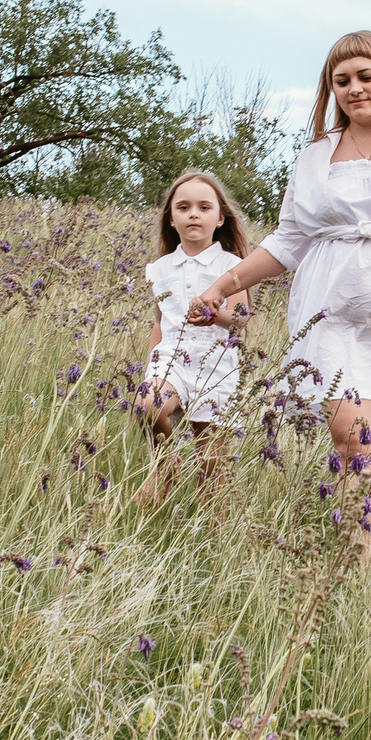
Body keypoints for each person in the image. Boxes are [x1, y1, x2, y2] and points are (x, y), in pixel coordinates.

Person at [190, 30, 371, 543]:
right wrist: (223, 284)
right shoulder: (314, 156)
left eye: (365, 76)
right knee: (354, 448)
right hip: (333, 319)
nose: (354, 89)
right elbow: (288, 240)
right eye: (341, 81)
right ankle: (361, 575)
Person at [135, 169, 247, 507]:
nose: (193, 214)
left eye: (203, 207)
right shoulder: (160, 268)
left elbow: (240, 320)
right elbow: (159, 322)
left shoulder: (233, 266)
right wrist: (151, 366)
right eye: (183, 208)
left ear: (220, 218)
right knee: (147, 404)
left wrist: (213, 315)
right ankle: (166, 462)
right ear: (171, 219)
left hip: (216, 365)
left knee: (211, 467)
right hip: (172, 358)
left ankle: (211, 532)